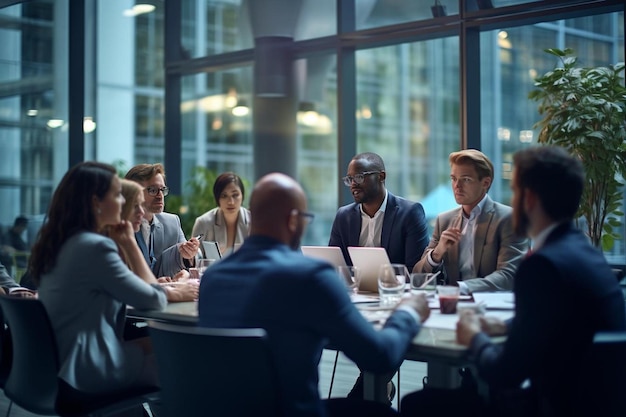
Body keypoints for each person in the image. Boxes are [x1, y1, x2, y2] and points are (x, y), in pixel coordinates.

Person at [198, 172, 431, 417]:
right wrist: (409, 311)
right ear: (293, 220)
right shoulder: (310, 277)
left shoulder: (212, 279)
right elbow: (380, 358)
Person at [448, 146, 626, 416]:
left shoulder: (542, 266)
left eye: (515, 190)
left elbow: (504, 372)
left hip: (554, 406)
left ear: (528, 199)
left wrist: (474, 336)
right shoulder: (583, 251)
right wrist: (508, 325)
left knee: (424, 403)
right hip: (597, 404)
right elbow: (558, 327)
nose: (512, 198)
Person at [32, 161, 168, 396]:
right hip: (88, 371)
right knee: (182, 355)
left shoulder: (61, 242)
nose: (123, 202)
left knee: (162, 344)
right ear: (96, 203)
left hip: (56, 367)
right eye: (117, 195)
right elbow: (156, 300)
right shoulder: (95, 247)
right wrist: (129, 243)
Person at [413, 149, 527, 293]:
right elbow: (417, 276)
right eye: (454, 179)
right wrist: (437, 253)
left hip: (491, 306)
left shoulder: (508, 218)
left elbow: (509, 275)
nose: (457, 186)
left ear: (485, 182)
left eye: (466, 179)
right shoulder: (444, 220)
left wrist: (461, 289)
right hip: (451, 304)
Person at [329, 152, 429, 271]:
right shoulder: (344, 216)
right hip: (353, 289)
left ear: (381, 176)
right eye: (350, 179)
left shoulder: (410, 213)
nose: (353, 184)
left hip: (395, 288)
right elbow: (334, 266)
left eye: (359, 177)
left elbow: (414, 270)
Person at [120, 179, 198, 302]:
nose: (141, 212)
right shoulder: (104, 244)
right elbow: (128, 289)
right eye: (152, 190)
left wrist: (159, 284)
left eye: (162, 190)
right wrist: (176, 293)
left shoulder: (123, 236)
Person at [125, 163, 200, 278]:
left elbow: (187, 263)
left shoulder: (172, 222)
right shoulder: (120, 226)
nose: (160, 196)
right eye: (153, 190)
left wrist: (189, 255)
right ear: (134, 193)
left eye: (162, 190)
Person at [191, 171, 251, 255]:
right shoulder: (203, 223)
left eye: (235, 195)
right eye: (224, 196)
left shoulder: (254, 222)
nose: (231, 202)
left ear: (242, 196)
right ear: (217, 198)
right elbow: (194, 259)